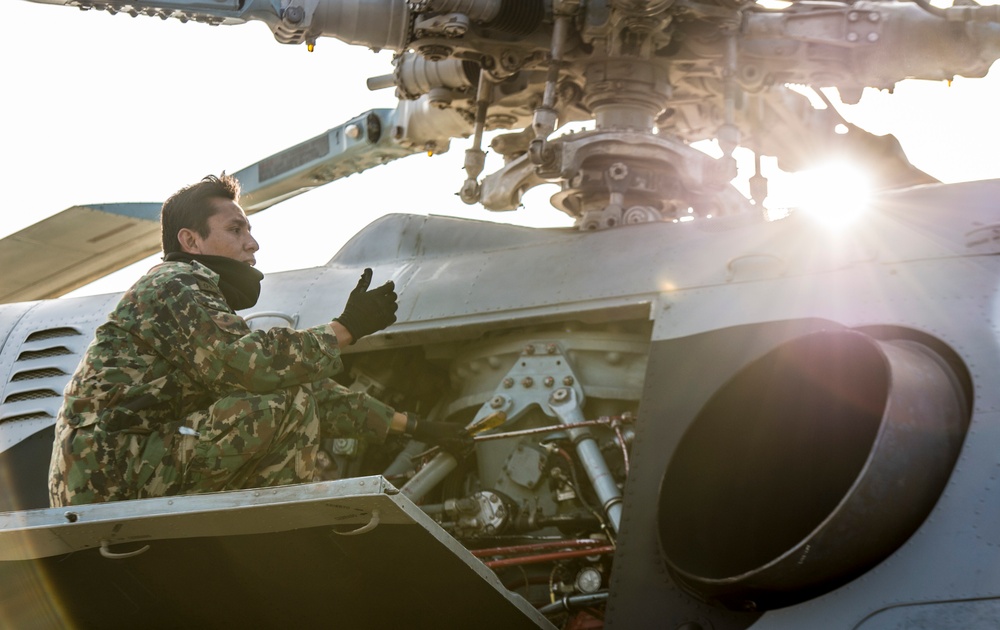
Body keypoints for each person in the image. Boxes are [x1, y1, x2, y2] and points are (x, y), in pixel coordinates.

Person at [49, 174, 456, 506]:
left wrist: (417, 427)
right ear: (191, 242)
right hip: (107, 474)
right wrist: (344, 329)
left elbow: (305, 385)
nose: (252, 243)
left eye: (249, 229)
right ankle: (276, 534)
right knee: (280, 402)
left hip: (132, 463)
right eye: (235, 229)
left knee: (289, 392)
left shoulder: (199, 296)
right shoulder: (174, 283)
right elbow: (251, 367)